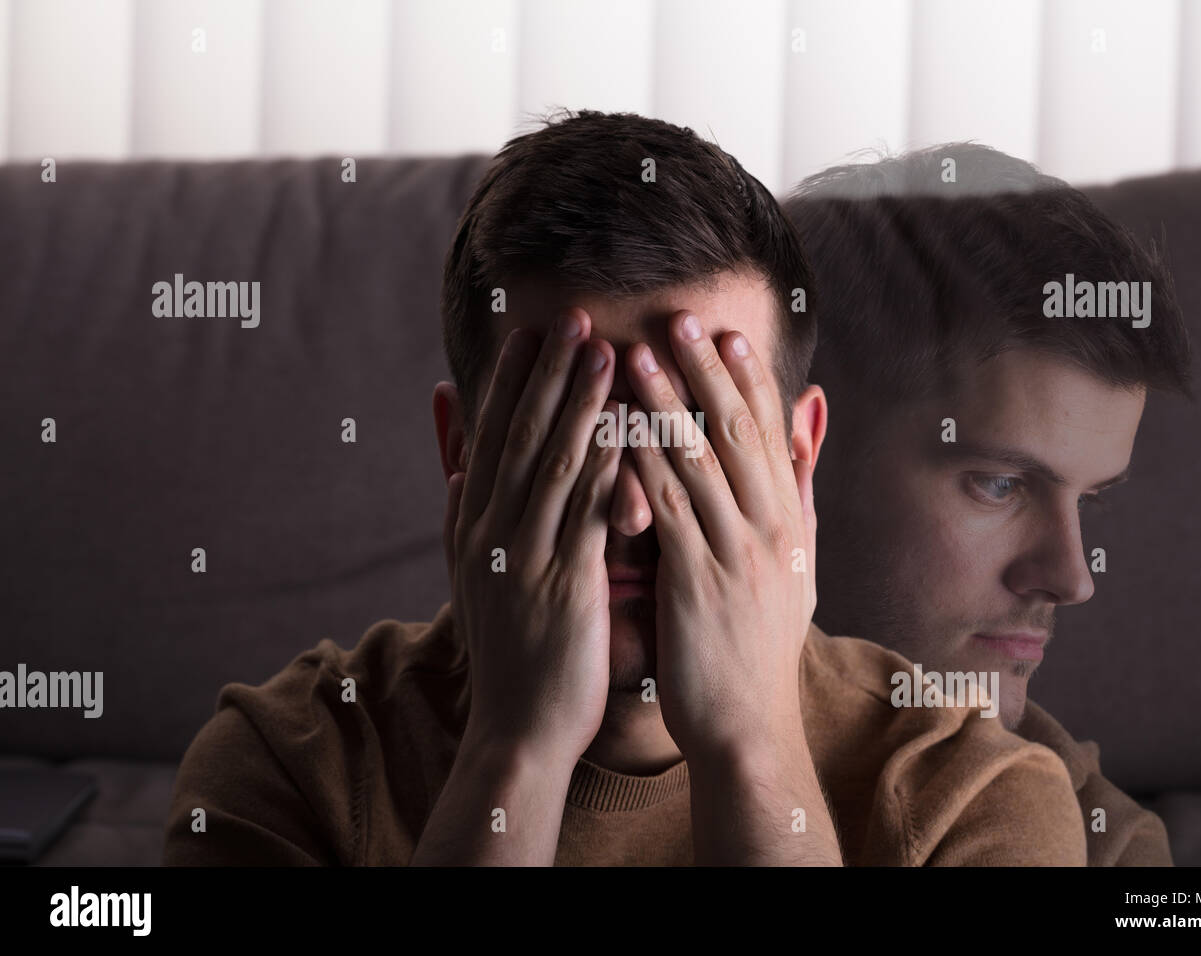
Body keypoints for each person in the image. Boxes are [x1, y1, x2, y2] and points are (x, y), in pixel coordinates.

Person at [163, 114, 1086, 866]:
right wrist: (512, 754)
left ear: (798, 459)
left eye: (692, 439)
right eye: (574, 433)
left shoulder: (978, 799)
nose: (637, 510)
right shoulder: (289, 764)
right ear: (464, 452)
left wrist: (752, 749)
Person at [782, 143, 1190, 865]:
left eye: (1089, 502)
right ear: (804, 453)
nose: (1072, 578)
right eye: (999, 485)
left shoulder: (1107, 840)